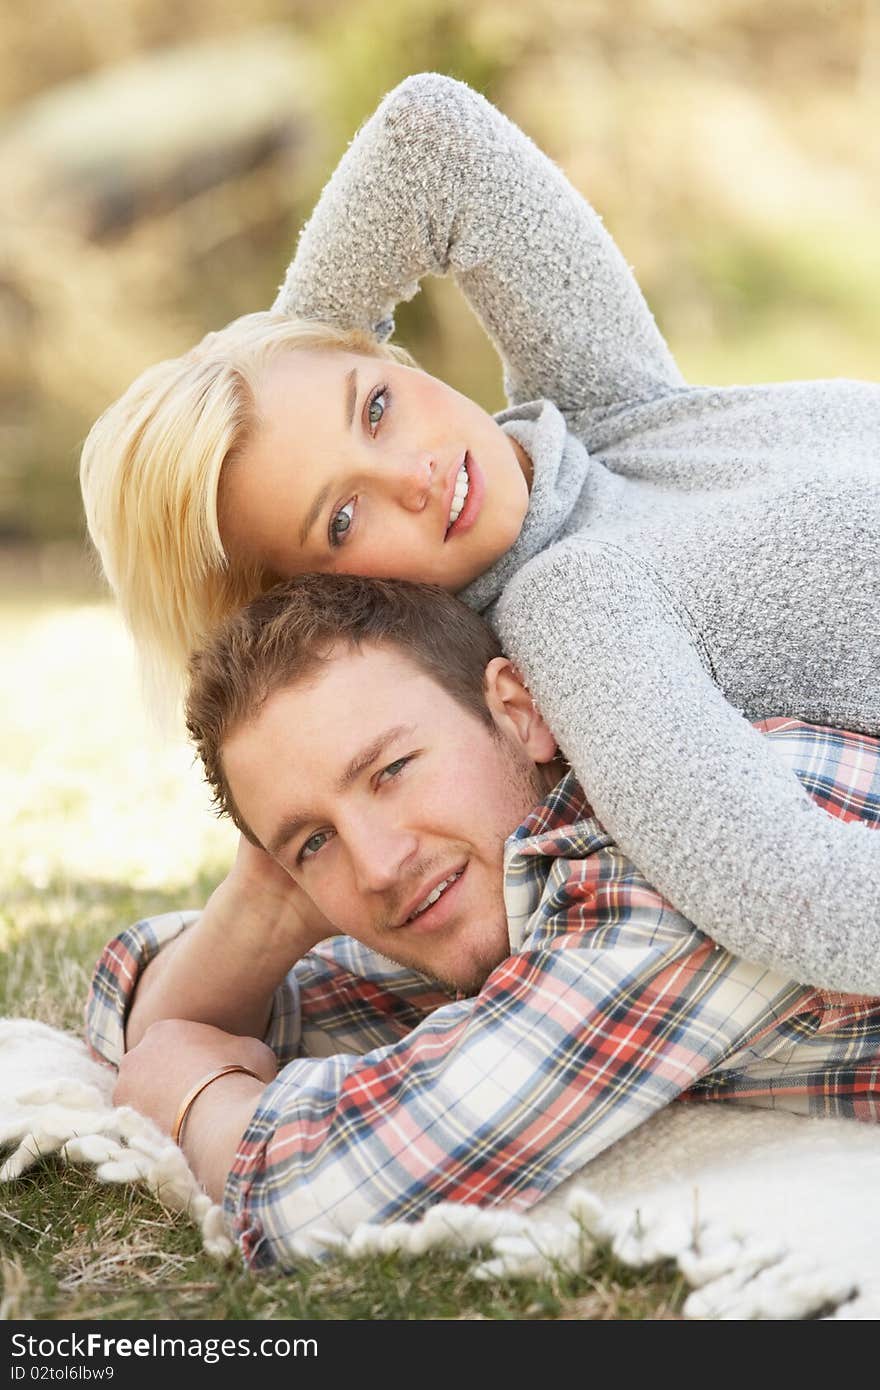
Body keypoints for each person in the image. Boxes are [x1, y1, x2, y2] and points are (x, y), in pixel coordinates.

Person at [78, 74, 880, 998]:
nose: (413, 474)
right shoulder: (569, 611)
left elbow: (432, 136)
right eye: (341, 519)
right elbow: (795, 894)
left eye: (374, 406)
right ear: (328, 597)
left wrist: (285, 347)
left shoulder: (610, 413)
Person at [87, 575, 880, 1272]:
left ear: (518, 710)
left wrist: (195, 1098)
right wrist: (267, 906)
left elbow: (331, 1193)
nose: (379, 865)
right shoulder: (517, 882)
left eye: (390, 771)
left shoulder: (688, 856)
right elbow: (153, 1024)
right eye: (315, 840)